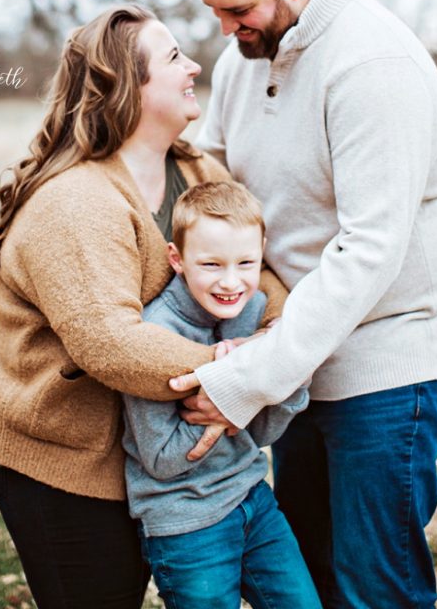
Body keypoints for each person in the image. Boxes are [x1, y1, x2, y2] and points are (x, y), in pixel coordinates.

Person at [170, 0, 437, 609]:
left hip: (388, 352)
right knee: (307, 571)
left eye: (238, 9)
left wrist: (249, 379)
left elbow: (369, 248)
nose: (223, 28)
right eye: (214, 10)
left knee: (374, 582)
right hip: (297, 344)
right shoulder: (244, 54)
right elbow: (213, 174)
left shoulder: (371, 65)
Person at [0, 3, 287, 609]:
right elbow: (111, 343)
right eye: (173, 57)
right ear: (127, 88)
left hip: (154, 458)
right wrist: (237, 374)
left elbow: (262, 272)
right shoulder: (75, 203)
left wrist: (272, 337)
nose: (195, 64)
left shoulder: (197, 170)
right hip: (63, 462)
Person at [122, 180, 321, 609]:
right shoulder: (155, 334)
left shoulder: (254, 313)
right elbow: (160, 458)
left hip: (253, 499)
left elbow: (261, 432)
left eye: (246, 262)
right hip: (186, 525)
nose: (231, 281)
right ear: (177, 259)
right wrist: (231, 386)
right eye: (211, 264)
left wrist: (282, 380)